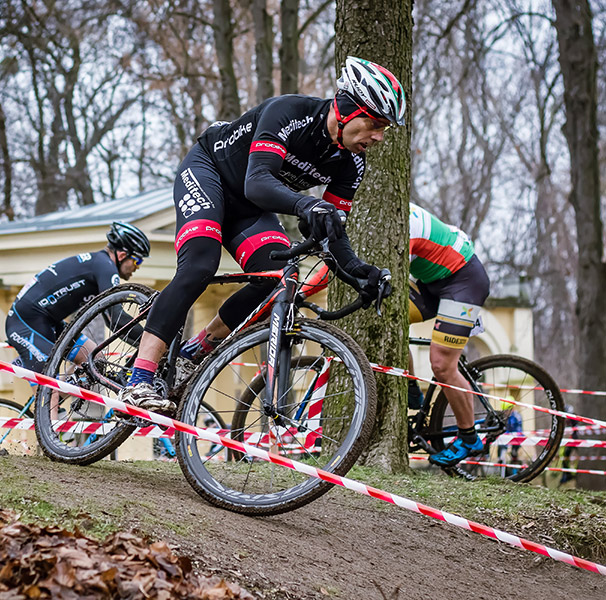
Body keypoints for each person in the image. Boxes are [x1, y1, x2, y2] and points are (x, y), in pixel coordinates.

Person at [118, 56, 406, 414]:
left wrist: (361, 271)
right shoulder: (290, 112)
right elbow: (257, 182)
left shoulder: (353, 162)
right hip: (211, 173)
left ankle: (195, 352)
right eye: (374, 123)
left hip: (249, 209)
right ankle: (139, 379)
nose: (378, 137)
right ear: (346, 109)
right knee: (199, 266)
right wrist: (306, 206)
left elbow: (333, 230)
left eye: (384, 129)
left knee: (276, 277)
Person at [405, 202, 490, 467]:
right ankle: (410, 388)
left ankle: (468, 438)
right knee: (386, 316)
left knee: (442, 365)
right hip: (432, 282)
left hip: (463, 282)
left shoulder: (402, 227)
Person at [5, 222, 150, 372]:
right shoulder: (106, 267)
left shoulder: (100, 264)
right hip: (25, 324)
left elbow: (113, 322)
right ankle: (50, 394)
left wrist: (145, 345)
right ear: (122, 255)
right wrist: (152, 343)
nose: (137, 267)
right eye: (137, 260)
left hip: (48, 323)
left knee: (96, 361)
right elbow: (117, 316)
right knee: (50, 387)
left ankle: (64, 393)